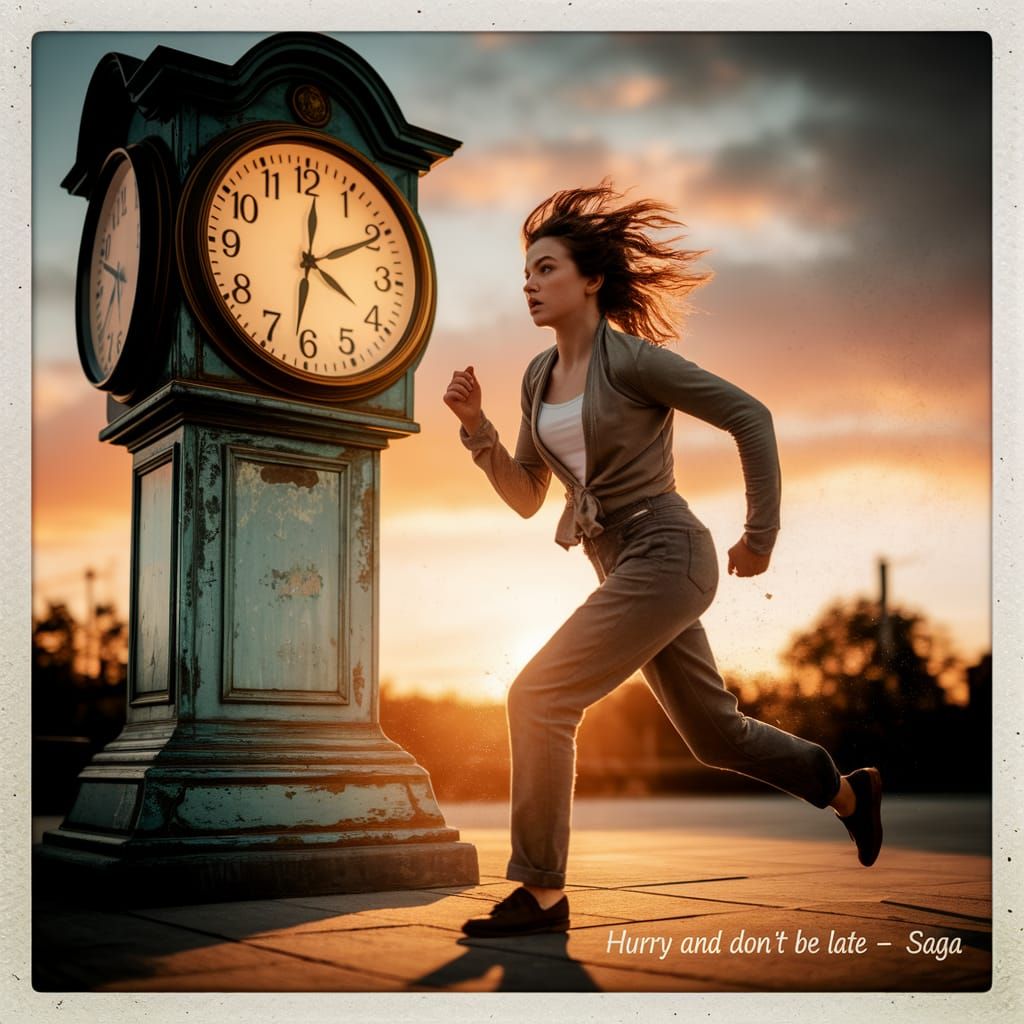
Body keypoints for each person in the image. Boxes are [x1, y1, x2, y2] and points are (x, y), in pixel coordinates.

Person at [443, 183, 883, 939]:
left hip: (669, 550)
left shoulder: (635, 363)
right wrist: (478, 429)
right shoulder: (535, 379)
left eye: (545, 269)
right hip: (621, 565)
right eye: (526, 273)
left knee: (538, 695)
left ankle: (541, 894)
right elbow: (525, 497)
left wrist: (761, 534)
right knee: (715, 735)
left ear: (591, 280)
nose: (529, 285)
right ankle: (848, 793)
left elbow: (752, 416)